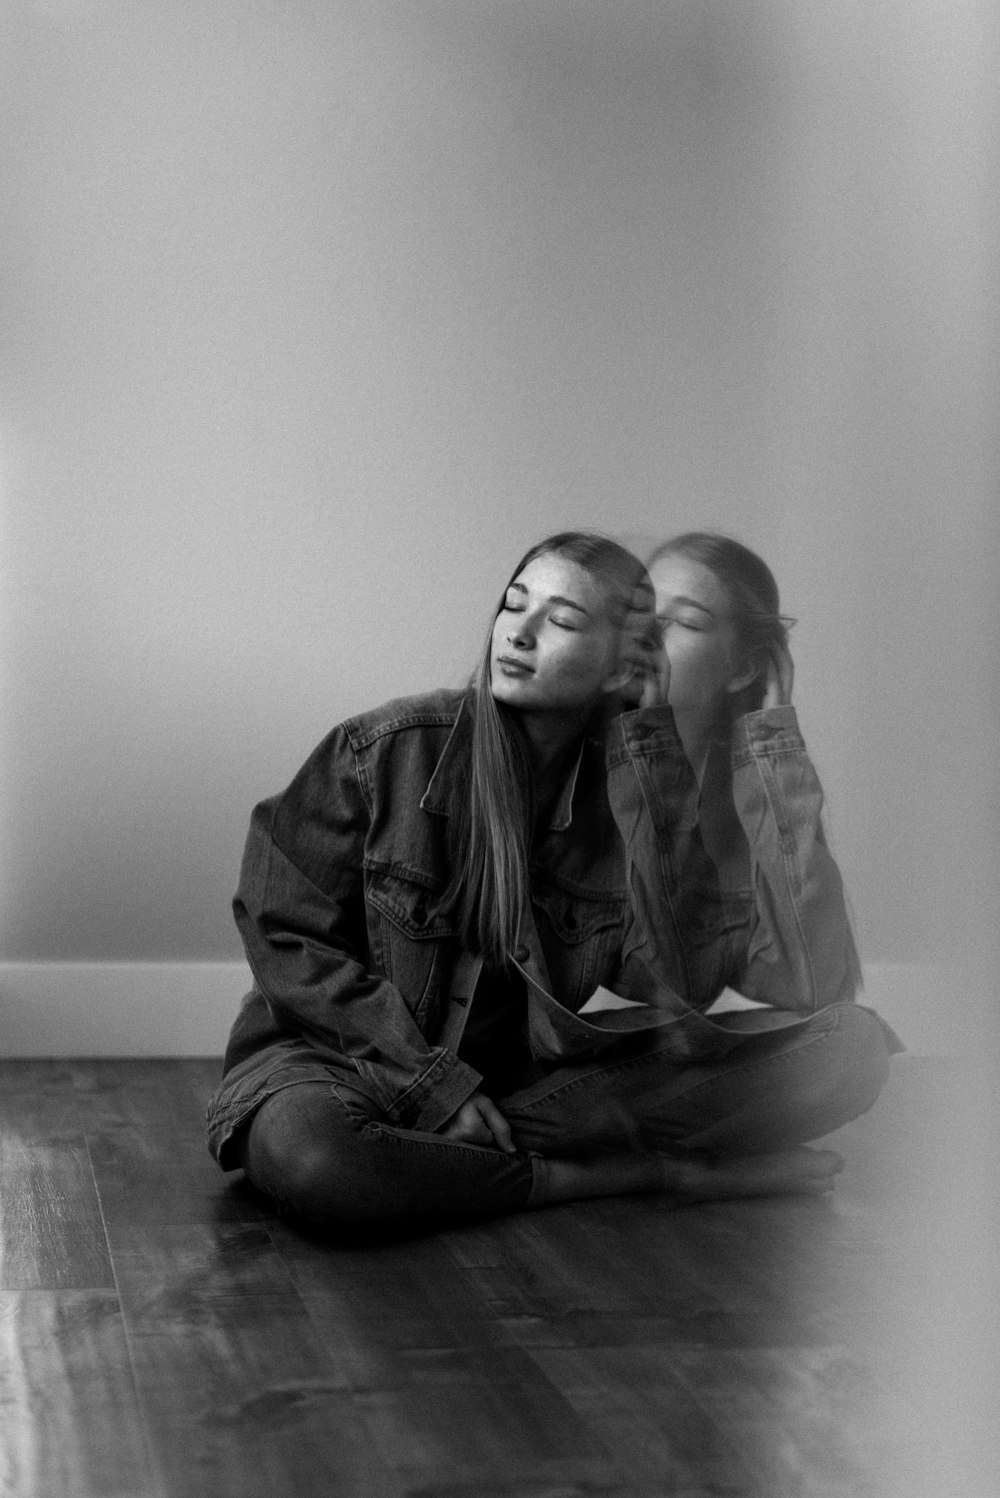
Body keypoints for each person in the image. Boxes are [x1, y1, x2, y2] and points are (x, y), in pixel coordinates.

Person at [206, 529, 896, 1232]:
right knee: (321, 1160)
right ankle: (638, 1175)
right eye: (514, 606)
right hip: (334, 1064)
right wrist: (432, 1085)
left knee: (850, 1047)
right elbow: (282, 928)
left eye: (564, 621)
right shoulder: (386, 749)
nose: (521, 634)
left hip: (510, 1087)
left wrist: (770, 758)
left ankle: (458, 1163)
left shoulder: (653, 795)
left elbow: (775, 988)